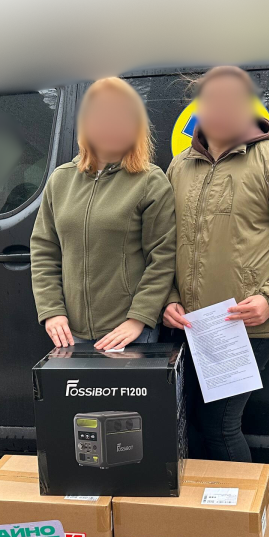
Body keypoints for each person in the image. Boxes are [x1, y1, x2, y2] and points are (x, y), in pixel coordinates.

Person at [163, 66, 269, 461]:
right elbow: (163, 244)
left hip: (244, 326)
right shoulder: (179, 167)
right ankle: (208, 498)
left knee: (219, 425)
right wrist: (168, 298)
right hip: (191, 326)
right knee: (193, 423)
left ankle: (239, 502)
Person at [31, 77, 176, 350]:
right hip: (70, 331)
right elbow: (44, 250)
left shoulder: (150, 181)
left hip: (130, 332)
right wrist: (52, 311)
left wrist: (139, 318)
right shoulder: (60, 180)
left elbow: (163, 257)